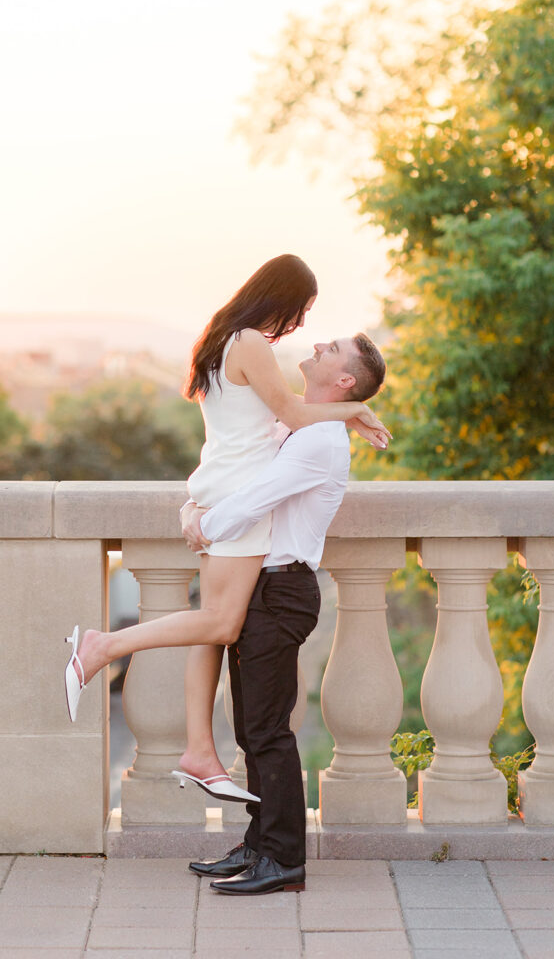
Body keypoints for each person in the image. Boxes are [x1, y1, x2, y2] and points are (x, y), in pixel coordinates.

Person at [64, 255, 389, 805]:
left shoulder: (222, 340)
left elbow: (259, 425)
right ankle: (101, 647)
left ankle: (199, 751)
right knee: (219, 622)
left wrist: (199, 502)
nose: (303, 327)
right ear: (281, 296)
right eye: (303, 309)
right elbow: (287, 410)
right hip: (238, 498)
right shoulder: (252, 342)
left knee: (211, 632)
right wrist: (354, 408)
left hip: (220, 487)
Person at [183, 332, 387, 895]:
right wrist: (195, 504)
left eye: (334, 348)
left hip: (282, 592)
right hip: (260, 590)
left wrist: (203, 526)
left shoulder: (320, 441)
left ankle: (286, 861)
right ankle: (259, 844)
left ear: (344, 381)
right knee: (253, 731)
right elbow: (236, 473)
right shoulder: (299, 425)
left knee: (268, 732)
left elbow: (256, 498)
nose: (319, 342)